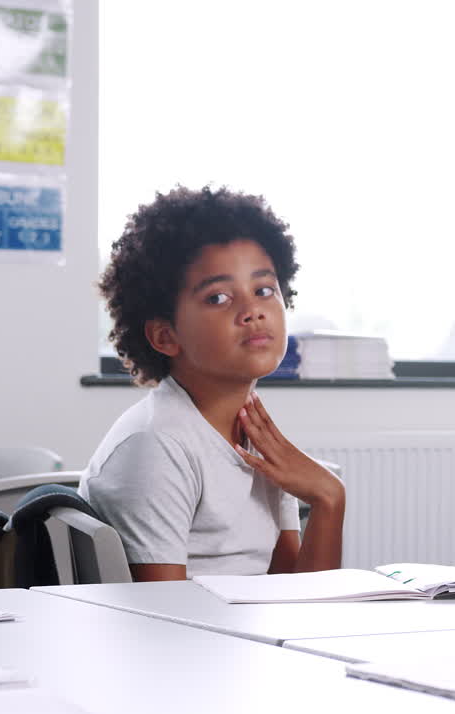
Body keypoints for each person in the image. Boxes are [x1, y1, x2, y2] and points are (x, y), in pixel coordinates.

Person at [81, 186, 344, 581]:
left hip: (248, 638)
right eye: (219, 298)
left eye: (264, 290)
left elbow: (297, 596)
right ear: (165, 336)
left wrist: (328, 498)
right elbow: (159, 623)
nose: (252, 311)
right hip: (193, 640)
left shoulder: (258, 435)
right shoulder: (157, 444)